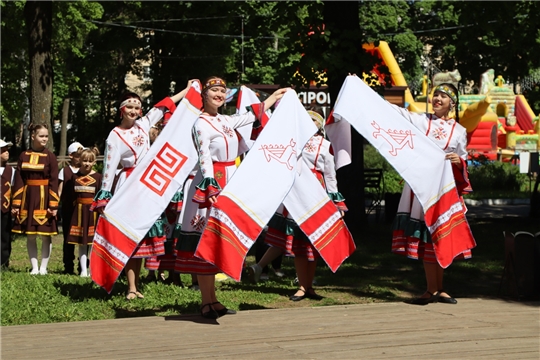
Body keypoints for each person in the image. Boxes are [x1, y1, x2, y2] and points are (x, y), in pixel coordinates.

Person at [175, 76, 288, 319]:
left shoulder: (226, 120)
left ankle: (213, 300)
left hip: (230, 181)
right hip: (211, 186)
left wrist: (273, 97)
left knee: (219, 242)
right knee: (207, 241)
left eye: (222, 91)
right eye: (214, 90)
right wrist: (210, 187)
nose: (219, 94)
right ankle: (206, 301)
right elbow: (204, 157)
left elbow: (249, 115)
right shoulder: (200, 124)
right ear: (204, 95)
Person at [91, 80, 195, 300]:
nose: (134, 111)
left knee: (141, 236)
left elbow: (161, 107)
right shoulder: (115, 135)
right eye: (129, 107)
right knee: (130, 234)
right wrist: (104, 196)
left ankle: (135, 285)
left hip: (147, 185)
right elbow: (109, 168)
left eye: (137, 107)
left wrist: (187, 92)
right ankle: (130, 286)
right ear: (121, 109)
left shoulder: (144, 125)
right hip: (128, 185)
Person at [250, 106, 347, 301]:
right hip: (295, 194)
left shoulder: (325, 145)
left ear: (319, 125)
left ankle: (308, 286)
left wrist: (337, 202)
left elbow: (330, 175)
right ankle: (302, 287)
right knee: (299, 244)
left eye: (313, 121)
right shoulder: (292, 141)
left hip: (316, 196)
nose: (309, 124)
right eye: (307, 120)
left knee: (313, 243)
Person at [390, 83, 472, 305]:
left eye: (443, 96)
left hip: (444, 188)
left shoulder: (459, 131)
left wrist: (459, 161)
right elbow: (398, 114)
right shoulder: (421, 120)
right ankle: (430, 289)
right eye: (435, 94)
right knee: (428, 238)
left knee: (441, 235)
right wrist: (367, 94)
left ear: (451, 103)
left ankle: (440, 288)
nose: (437, 99)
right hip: (423, 186)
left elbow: (463, 158)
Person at [12, 124, 59, 275]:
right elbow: (19, 180)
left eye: (46, 136)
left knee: (46, 236)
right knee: (30, 235)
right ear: (33, 136)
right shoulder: (23, 155)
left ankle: (44, 268)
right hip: (28, 198)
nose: (45, 139)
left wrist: (53, 205)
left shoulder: (51, 157)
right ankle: (34, 267)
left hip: (45, 198)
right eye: (41, 136)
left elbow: (54, 181)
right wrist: (16, 203)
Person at [65, 147, 101, 277]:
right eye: (84, 160)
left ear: (94, 162)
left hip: (93, 213)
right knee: (81, 242)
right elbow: (71, 196)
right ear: (80, 160)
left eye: (90, 161)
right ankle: (83, 270)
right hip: (79, 213)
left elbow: (100, 196)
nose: (87, 163)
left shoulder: (98, 178)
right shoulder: (74, 177)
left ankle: (92, 269)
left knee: (92, 243)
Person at [59, 141, 84, 275]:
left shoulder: (85, 171)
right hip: (68, 209)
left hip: (82, 210)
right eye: (77, 155)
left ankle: (83, 266)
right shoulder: (65, 171)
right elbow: (60, 190)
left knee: (83, 238)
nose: (80, 158)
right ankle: (68, 267)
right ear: (71, 156)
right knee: (68, 238)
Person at [1, 139, 15, 269]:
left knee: (5, 236)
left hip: (5, 209)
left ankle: (4, 263)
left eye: (7, 150)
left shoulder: (11, 171)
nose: (7, 153)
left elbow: (15, 189)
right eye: (3, 150)